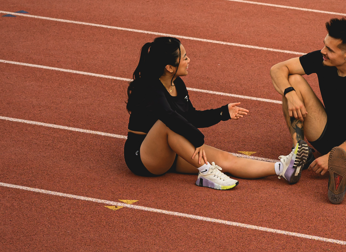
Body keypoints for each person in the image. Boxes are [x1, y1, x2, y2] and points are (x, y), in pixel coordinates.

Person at [125, 36, 303, 188]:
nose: (189, 60)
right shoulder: (150, 87)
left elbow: (191, 117)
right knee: (167, 123)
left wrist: (222, 113)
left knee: (226, 159)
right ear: (169, 67)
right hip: (143, 157)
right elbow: (169, 117)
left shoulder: (177, 83)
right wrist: (197, 139)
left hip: (172, 150)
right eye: (184, 57)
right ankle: (206, 172)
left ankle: (282, 169)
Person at [269, 17, 346, 204]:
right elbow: (277, 69)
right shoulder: (322, 60)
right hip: (328, 130)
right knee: (293, 79)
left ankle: (338, 184)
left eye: (330, 49)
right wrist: (290, 94)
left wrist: (332, 156)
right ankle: (299, 152)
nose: (323, 51)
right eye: (324, 45)